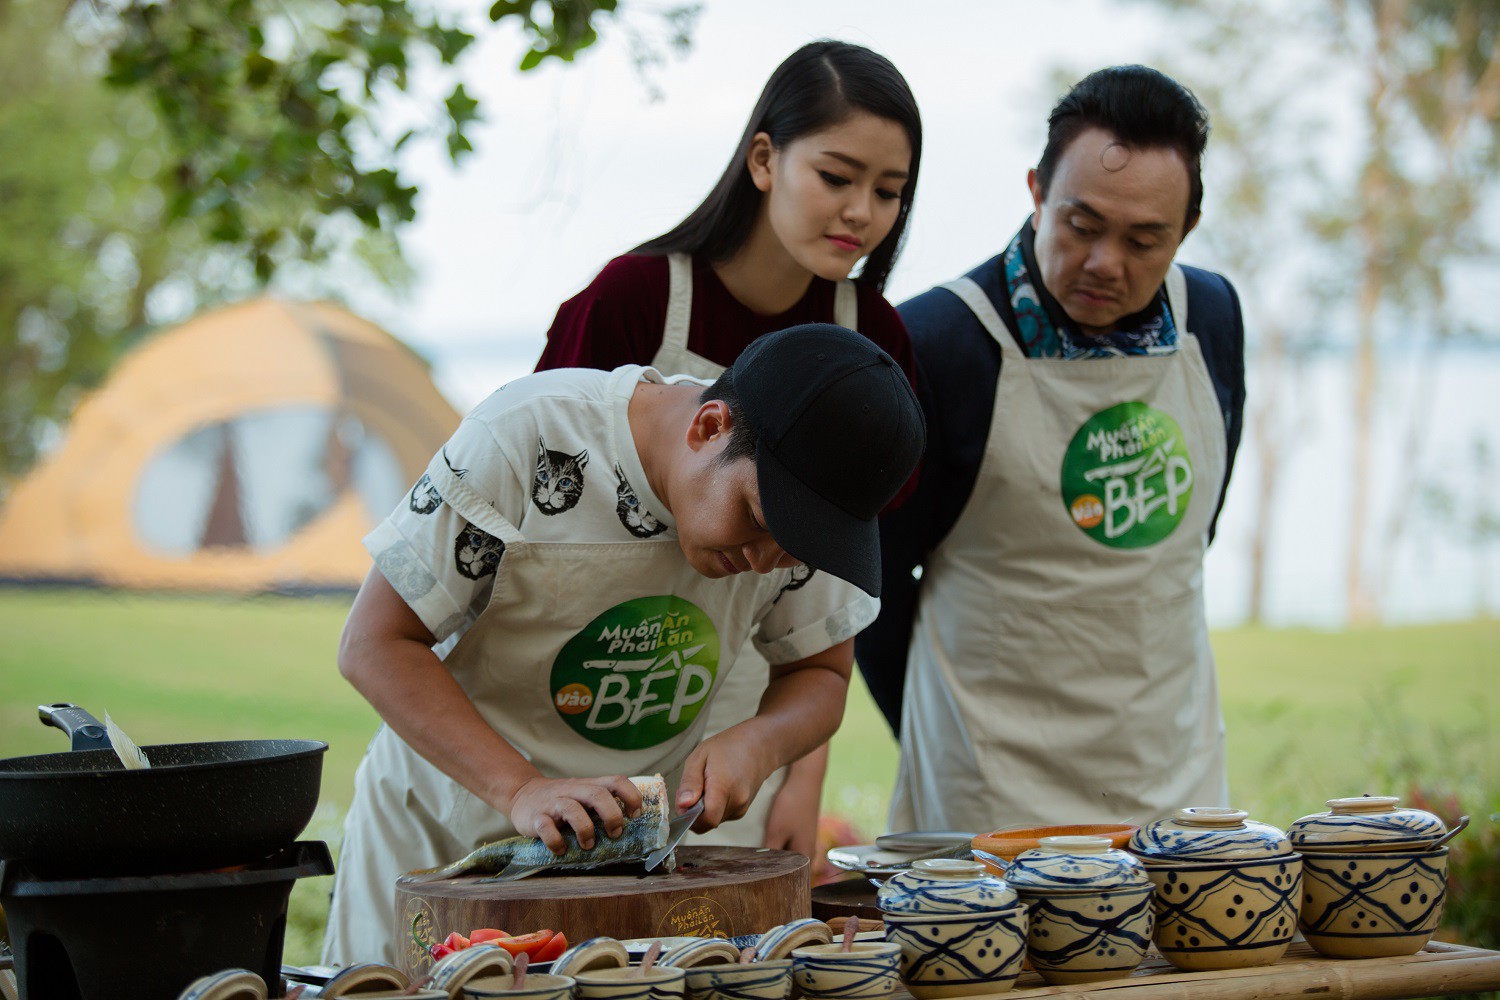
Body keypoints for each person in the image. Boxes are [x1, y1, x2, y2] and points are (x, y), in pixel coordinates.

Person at [324, 324, 925, 966]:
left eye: (797, 548)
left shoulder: (789, 523)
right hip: (440, 842)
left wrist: (760, 741)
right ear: (709, 428)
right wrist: (521, 788)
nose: (765, 559)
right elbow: (374, 643)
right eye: (756, 517)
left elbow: (821, 674)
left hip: (624, 871)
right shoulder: (528, 436)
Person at [536, 39, 922, 858]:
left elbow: (837, 581)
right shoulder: (633, 299)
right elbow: (536, 486)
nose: (862, 211)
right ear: (762, 159)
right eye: (837, 176)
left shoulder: (875, 337)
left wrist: (800, 774)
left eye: (889, 192)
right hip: (564, 692)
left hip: (743, 726)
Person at [857, 66, 1246, 833]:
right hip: (988, 792)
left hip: (1174, 777)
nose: (1106, 262)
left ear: (1188, 229)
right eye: (1081, 224)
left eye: (1144, 239)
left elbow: (1193, 534)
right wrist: (947, 742)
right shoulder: (934, 342)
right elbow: (872, 590)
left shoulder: (1215, 319)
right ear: (1036, 190)